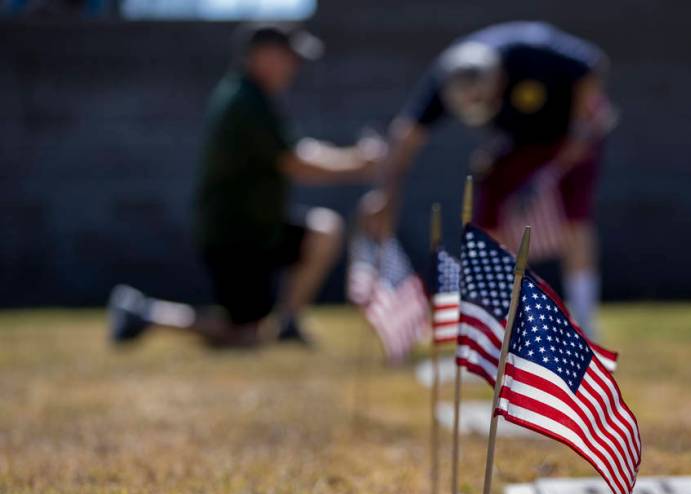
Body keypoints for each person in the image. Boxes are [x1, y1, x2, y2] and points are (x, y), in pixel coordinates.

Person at [109, 23, 384, 347]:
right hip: (236, 238)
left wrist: (354, 160)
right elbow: (296, 162)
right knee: (244, 336)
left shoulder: (256, 97)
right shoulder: (244, 101)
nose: (294, 66)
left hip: (261, 229)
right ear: (264, 56)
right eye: (289, 57)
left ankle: (288, 323)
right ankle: (145, 313)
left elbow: (295, 151)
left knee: (324, 230)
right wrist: (358, 163)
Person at [360, 21, 615, 336]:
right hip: (518, 142)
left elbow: (592, 67)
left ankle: (586, 323)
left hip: (572, 134)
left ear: (499, 79)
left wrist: (579, 130)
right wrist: (385, 193)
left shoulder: (532, 49)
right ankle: (497, 325)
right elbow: (406, 135)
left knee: (573, 220)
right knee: (485, 221)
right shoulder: (446, 78)